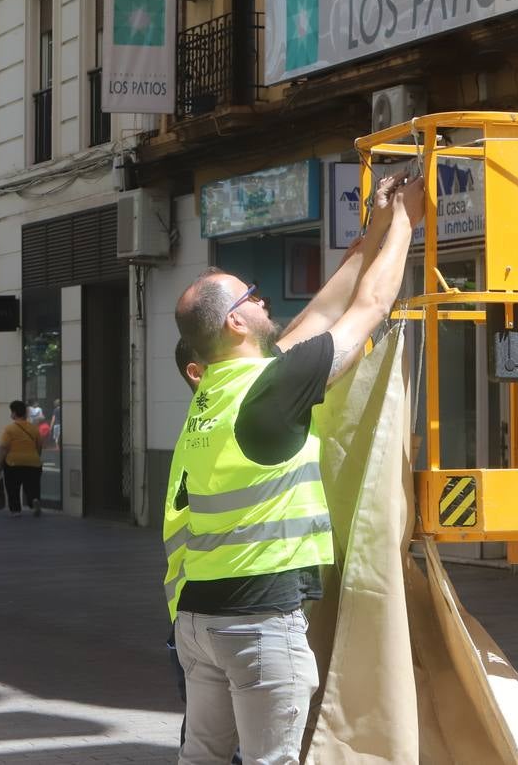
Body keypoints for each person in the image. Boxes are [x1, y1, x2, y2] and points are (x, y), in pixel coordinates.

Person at [164, 173, 423, 765]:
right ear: (234, 322)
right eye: (250, 296)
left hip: (199, 621)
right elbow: (369, 309)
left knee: (201, 757)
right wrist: (407, 224)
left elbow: (324, 309)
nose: (262, 299)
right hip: (257, 624)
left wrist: (376, 229)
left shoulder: (219, 392)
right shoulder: (270, 387)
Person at [0, 400, 43, 518]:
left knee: (13, 487)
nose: (10, 414)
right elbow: (39, 446)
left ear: (15, 413)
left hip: (13, 463)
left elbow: (3, 448)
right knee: (32, 485)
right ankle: (34, 500)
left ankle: (16, 510)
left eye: (11, 412)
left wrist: (0, 464)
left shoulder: (9, 429)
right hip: (33, 462)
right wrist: (35, 457)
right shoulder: (34, 428)